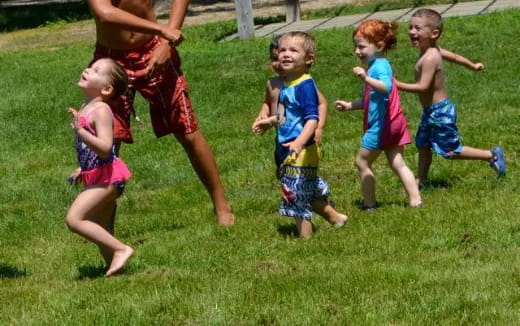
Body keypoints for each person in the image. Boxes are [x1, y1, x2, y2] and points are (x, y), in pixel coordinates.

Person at [86, 0, 234, 225]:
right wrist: (162, 29)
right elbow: (104, 13)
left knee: (187, 130)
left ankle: (222, 207)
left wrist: (166, 42)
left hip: (154, 50)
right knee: (108, 142)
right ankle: (104, 220)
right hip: (111, 59)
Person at [395, 8, 505, 187]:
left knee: (450, 151)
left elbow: (423, 87)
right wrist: (472, 65)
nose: (411, 32)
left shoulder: (430, 57)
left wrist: (396, 84)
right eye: (410, 27)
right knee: (423, 145)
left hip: (440, 112)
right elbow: (454, 57)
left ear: (434, 33)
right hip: (430, 111)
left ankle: (491, 155)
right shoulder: (432, 49)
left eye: (417, 28)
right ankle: (421, 180)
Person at [253, 32, 348, 238]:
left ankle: (306, 241)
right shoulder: (288, 84)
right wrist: (269, 122)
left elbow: (312, 119)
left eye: (293, 50)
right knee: (304, 189)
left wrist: (299, 142)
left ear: (309, 58)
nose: (285, 54)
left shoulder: (305, 86)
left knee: (295, 194)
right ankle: (335, 218)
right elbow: (286, 115)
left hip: (301, 149)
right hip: (289, 146)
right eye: (283, 50)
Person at [335, 19, 422, 211]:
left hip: (382, 125)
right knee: (397, 162)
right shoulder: (378, 64)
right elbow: (372, 98)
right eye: (355, 46)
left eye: (361, 47)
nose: (357, 51)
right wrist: (351, 105)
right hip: (394, 121)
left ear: (379, 45)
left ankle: (369, 204)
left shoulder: (380, 67)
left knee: (362, 162)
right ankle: (415, 200)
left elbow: (386, 88)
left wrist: (366, 77)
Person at [66, 58, 133, 277]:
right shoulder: (88, 107)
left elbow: (105, 147)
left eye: (96, 70)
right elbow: (90, 149)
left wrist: (81, 131)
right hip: (96, 176)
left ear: (106, 88)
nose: (87, 69)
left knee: (74, 219)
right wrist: (81, 168)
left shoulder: (102, 110)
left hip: (109, 179)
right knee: (101, 227)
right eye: (90, 66)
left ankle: (121, 249)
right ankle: (115, 268)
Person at [253, 35, 328, 145]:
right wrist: (263, 113)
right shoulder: (272, 83)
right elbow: (268, 102)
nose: (278, 63)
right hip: (283, 134)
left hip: (301, 134)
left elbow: (322, 103)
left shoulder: (302, 84)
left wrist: (319, 127)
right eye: (274, 58)